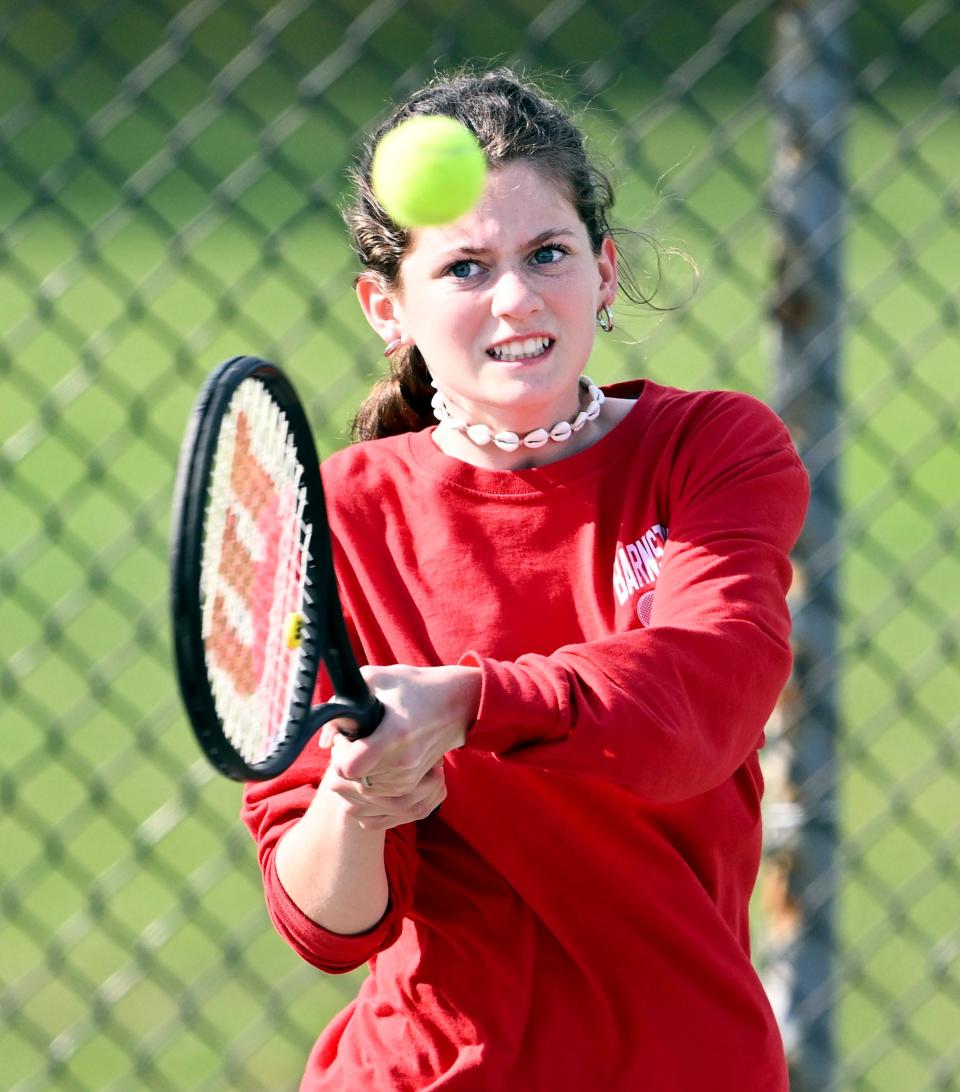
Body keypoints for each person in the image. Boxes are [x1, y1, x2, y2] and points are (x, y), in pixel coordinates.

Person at [242, 67, 809, 1091]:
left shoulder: (715, 449)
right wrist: (360, 798)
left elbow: (699, 701)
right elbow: (324, 925)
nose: (516, 298)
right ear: (387, 307)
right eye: (464, 267)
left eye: (547, 253)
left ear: (603, 268)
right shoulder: (332, 517)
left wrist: (468, 703)